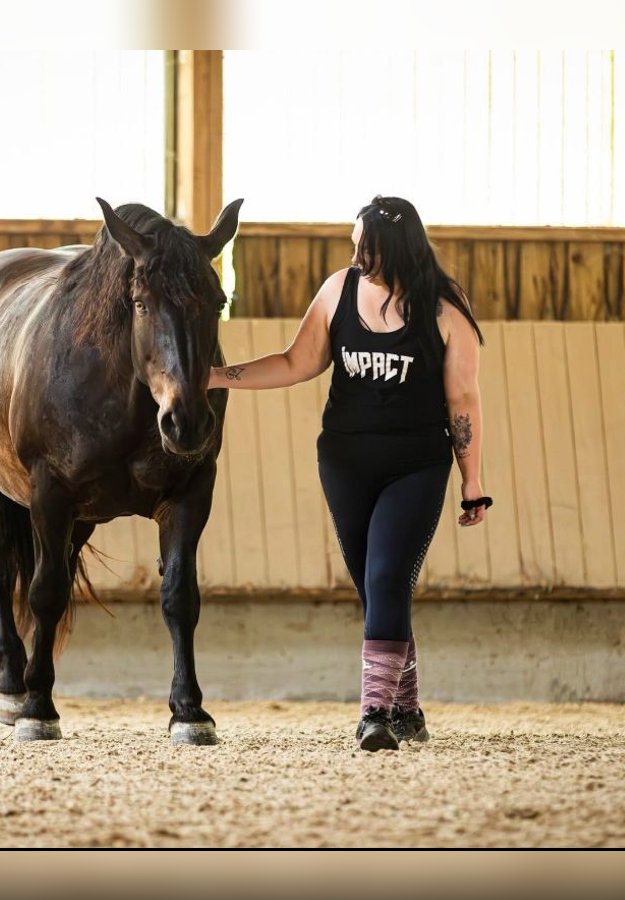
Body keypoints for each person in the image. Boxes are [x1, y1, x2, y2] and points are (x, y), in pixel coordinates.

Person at [208, 195, 489, 752]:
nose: (356, 253)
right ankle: (408, 708)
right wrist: (217, 376)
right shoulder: (339, 290)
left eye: (368, 245)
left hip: (416, 466)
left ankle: (375, 714)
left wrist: (471, 481)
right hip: (344, 463)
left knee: (386, 578)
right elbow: (295, 362)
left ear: (398, 246)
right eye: (354, 241)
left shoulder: (443, 310)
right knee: (376, 586)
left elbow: (462, 401)